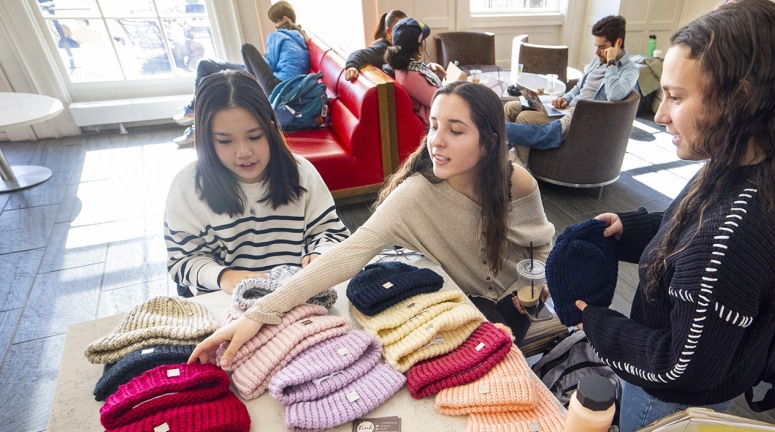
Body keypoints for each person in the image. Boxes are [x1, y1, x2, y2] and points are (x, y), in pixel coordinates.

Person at [569, 0, 775, 432]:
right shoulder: (766, 165)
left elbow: (680, 370)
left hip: (667, 404)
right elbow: (691, 228)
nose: (660, 114)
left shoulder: (729, 236)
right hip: (722, 376)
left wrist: (596, 323)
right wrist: (634, 230)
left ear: (741, 97)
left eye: (676, 97)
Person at [188, 81, 556, 367]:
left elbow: (538, 243)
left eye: (455, 131)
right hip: (463, 306)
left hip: (519, 301)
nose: (436, 141)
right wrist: (259, 312)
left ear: (489, 143)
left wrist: (536, 283)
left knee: (501, 356)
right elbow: (348, 254)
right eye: (433, 126)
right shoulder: (415, 196)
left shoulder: (516, 181)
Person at [165, 70, 349, 296]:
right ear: (205, 138)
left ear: (271, 128)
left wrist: (321, 254)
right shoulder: (187, 187)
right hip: (226, 305)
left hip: (296, 297)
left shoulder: (302, 172)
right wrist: (223, 276)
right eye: (225, 141)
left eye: (254, 137)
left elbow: (331, 232)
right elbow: (182, 261)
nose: (243, 152)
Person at [173, 1, 310, 147]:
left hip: (277, 85)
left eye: (276, 21)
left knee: (244, 49)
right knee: (209, 68)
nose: (275, 26)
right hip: (281, 83)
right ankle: (197, 115)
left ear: (285, 19)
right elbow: (274, 63)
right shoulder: (298, 37)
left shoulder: (279, 36)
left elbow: (270, 64)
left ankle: (196, 112)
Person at [504, 15, 639, 160]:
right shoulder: (598, 60)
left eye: (602, 47)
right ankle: (503, 157)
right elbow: (579, 87)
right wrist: (565, 98)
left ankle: (521, 169)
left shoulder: (630, 70)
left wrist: (611, 62)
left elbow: (614, 94)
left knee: (524, 118)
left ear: (618, 43)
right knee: (510, 107)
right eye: (596, 46)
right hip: (567, 108)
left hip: (581, 118)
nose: (597, 52)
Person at [384, 18, 465, 128]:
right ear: (419, 49)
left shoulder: (403, 68)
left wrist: (429, 68)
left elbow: (419, 84)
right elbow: (441, 103)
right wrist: (458, 82)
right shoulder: (411, 77)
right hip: (435, 125)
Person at [344, 10, 407, 81]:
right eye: (399, 30)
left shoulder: (397, 48)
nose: (405, 34)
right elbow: (358, 54)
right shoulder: (382, 49)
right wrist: (351, 67)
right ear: (389, 32)